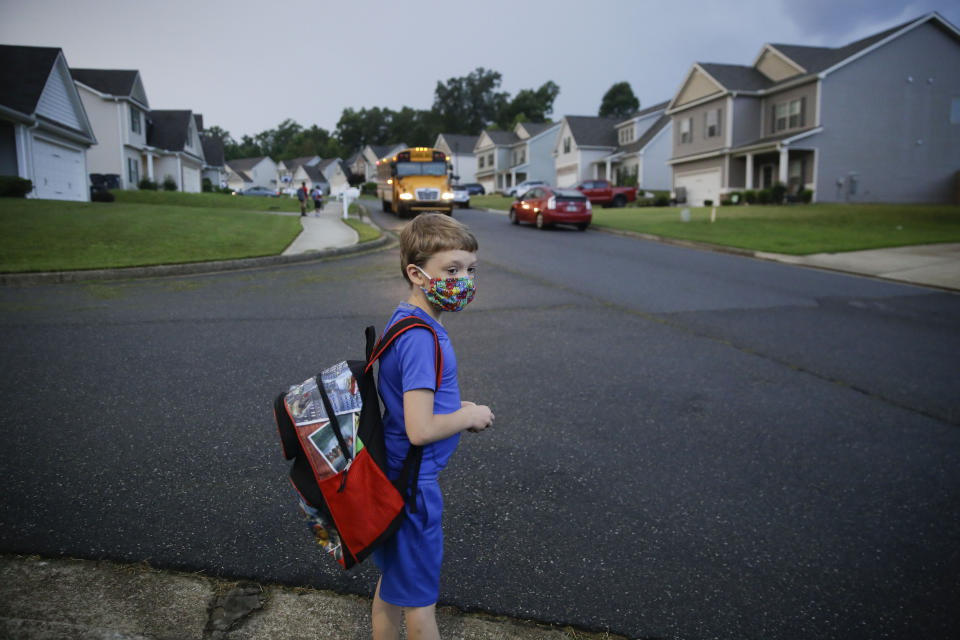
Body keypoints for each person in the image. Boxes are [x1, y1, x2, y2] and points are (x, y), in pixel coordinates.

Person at [371, 213, 494, 640]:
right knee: (420, 606)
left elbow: (413, 401)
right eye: (452, 270)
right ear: (417, 274)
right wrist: (468, 416)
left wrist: (456, 405)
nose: (463, 280)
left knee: (392, 584)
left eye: (470, 270)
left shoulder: (405, 319)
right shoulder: (422, 338)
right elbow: (420, 429)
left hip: (394, 473)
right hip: (412, 487)